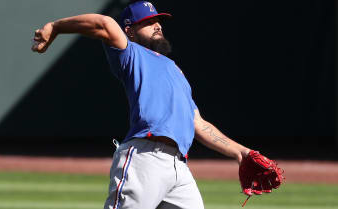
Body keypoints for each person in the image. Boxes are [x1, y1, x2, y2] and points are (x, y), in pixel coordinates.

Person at [32, 1, 283, 209]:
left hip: (179, 169)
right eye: (148, 22)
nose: (157, 25)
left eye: (158, 21)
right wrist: (55, 26)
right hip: (144, 158)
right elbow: (104, 24)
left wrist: (241, 153)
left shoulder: (175, 71)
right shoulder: (129, 54)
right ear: (129, 30)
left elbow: (197, 123)